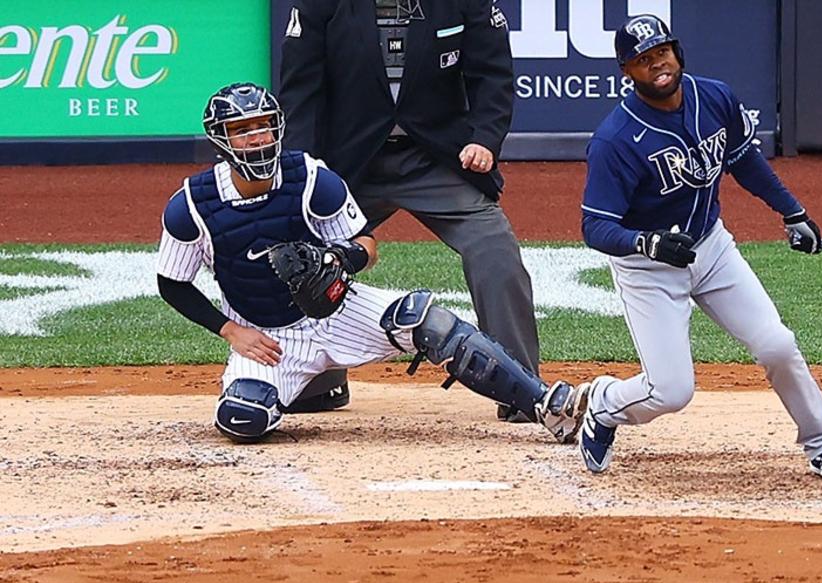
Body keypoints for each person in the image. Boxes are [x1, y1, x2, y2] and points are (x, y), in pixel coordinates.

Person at [155, 83, 586, 444]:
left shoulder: (310, 178)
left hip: (340, 310)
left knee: (432, 325)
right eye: (242, 130)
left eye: (264, 128)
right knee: (243, 418)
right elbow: (172, 282)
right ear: (220, 139)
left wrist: (341, 257)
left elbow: (367, 243)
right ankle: (298, 390)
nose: (257, 139)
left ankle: (542, 402)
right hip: (267, 337)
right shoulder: (192, 206)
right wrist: (232, 332)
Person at [574, 15, 822, 480]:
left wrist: (792, 212)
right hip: (648, 270)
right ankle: (604, 405)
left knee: (777, 344)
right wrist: (647, 242)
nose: (657, 65)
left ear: (677, 52)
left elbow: (745, 162)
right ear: (628, 72)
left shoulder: (715, 97)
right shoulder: (615, 140)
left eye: (661, 53)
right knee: (670, 392)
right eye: (643, 60)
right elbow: (595, 227)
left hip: (712, 249)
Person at [279, 0, 541, 424]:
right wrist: (307, 170)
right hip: (350, 163)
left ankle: (522, 387)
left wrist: (485, 140)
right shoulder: (320, 5)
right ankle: (311, 382)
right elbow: (300, 91)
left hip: (435, 157)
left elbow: (492, 75)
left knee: (495, 247)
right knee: (301, 251)